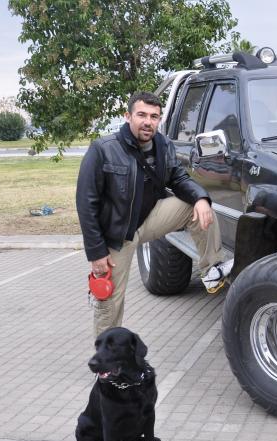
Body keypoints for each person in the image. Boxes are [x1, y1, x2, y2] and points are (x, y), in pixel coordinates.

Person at [77, 91, 232, 336]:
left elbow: (179, 179)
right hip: (117, 235)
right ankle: (106, 366)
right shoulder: (103, 149)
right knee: (109, 301)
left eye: (154, 116)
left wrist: (201, 197)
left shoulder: (163, 145)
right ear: (128, 116)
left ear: (160, 119)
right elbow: (86, 204)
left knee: (198, 205)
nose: (148, 121)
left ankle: (212, 269)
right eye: (141, 115)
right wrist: (96, 252)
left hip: (148, 219)